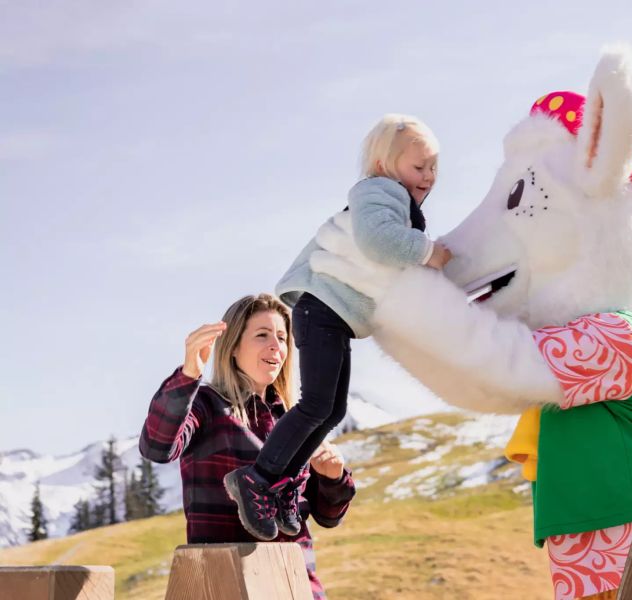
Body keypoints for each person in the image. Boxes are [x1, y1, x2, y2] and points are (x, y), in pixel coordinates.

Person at [224, 114, 451, 540]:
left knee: (332, 410)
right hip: (322, 308)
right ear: (384, 165)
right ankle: (256, 478)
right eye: (418, 167)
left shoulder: (399, 206)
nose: (428, 176)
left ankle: (282, 484)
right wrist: (429, 252)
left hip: (335, 316)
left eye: (434, 167)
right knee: (316, 405)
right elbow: (377, 242)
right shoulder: (378, 193)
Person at [139, 293, 355, 599]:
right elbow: (157, 447)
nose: (276, 347)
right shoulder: (207, 404)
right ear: (233, 347)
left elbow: (328, 516)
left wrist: (334, 477)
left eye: (282, 337)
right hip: (229, 581)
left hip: (295, 582)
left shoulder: (296, 418)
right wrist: (189, 374)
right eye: (262, 335)